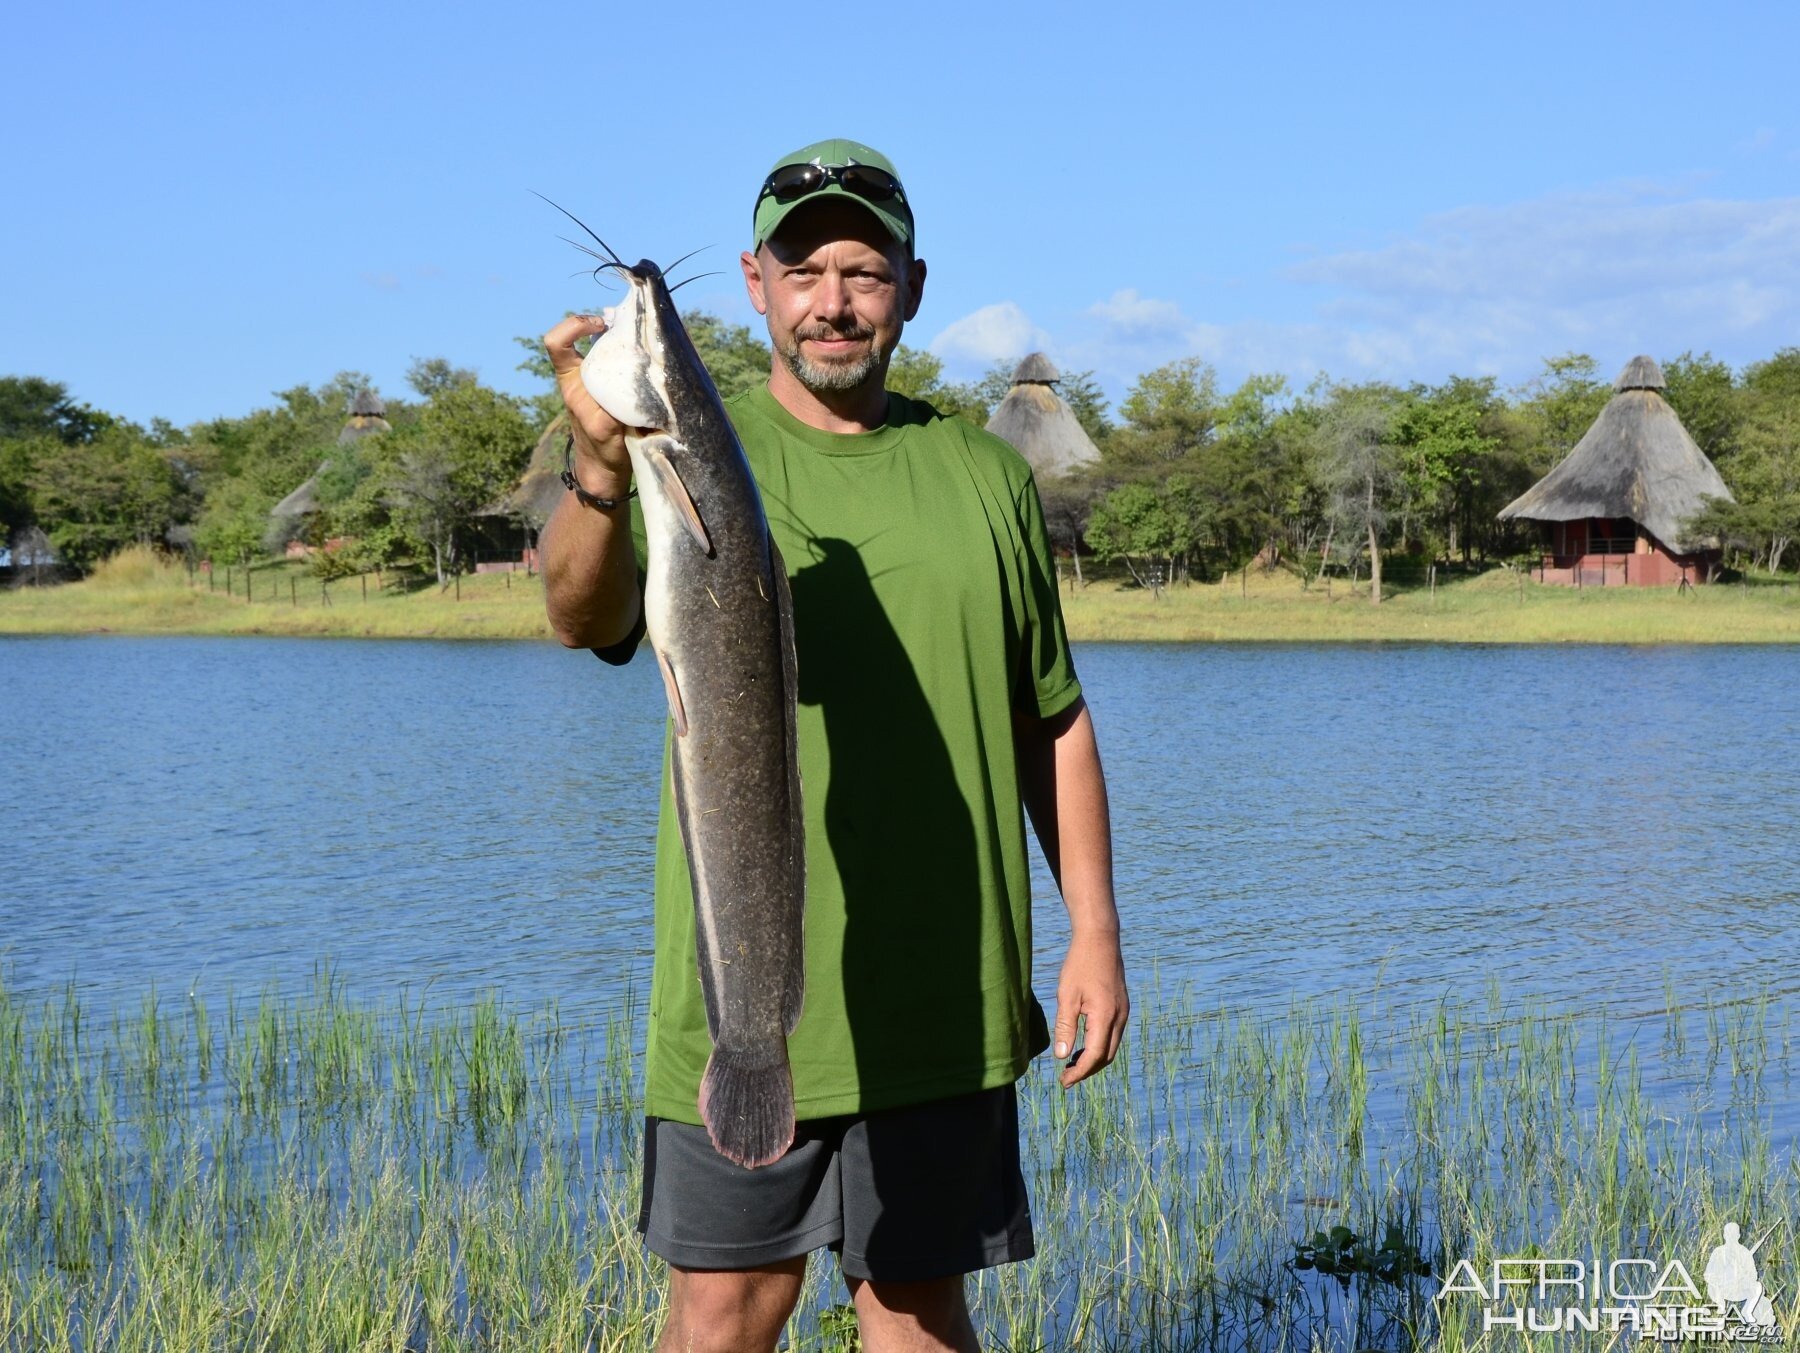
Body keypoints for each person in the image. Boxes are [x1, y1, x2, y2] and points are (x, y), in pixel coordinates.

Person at [540, 138, 1128, 1353]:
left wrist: (1097, 937)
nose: (834, 302)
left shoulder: (983, 473)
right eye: (805, 272)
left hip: (947, 992)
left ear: (911, 287)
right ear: (756, 284)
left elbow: (1050, 717)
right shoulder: (681, 454)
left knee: (918, 1313)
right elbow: (577, 616)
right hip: (738, 1000)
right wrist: (598, 461)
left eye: (864, 271)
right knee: (723, 1311)